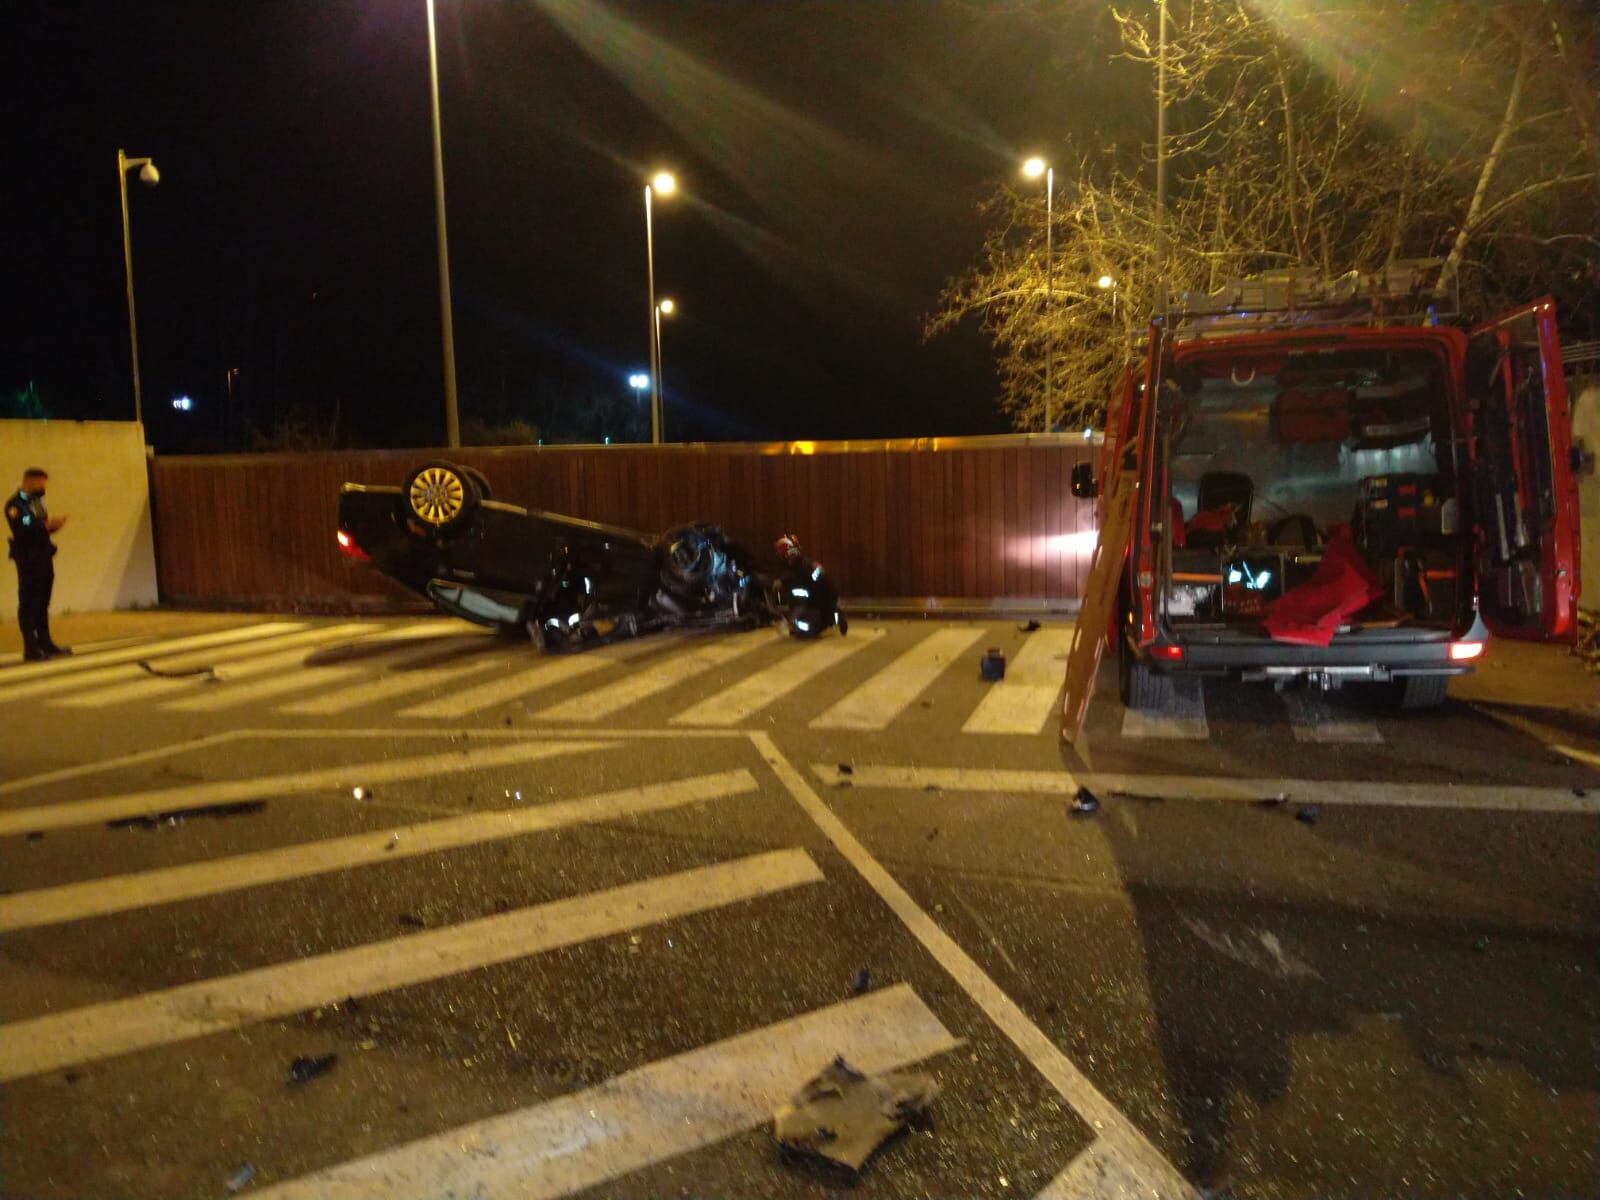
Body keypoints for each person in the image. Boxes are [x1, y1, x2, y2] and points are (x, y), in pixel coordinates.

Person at [6, 467, 70, 661]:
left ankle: (45, 641)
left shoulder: (37, 503)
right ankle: (30, 647)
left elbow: (40, 527)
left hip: (43, 556)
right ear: (29, 481)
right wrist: (46, 526)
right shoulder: (15, 504)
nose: (43, 488)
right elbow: (24, 527)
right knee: (28, 602)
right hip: (28, 559)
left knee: (42, 601)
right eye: (41, 484)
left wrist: (50, 527)